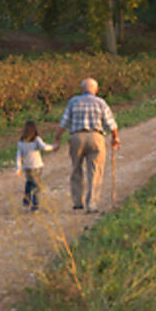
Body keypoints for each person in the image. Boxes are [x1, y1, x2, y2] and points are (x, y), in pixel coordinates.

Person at [54, 77, 120, 214]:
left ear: (81, 89)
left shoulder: (73, 101)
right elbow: (111, 123)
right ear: (96, 90)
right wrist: (115, 137)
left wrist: (57, 139)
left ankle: (77, 202)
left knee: (76, 168)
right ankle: (92, 204)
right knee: (95, 171)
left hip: (76, 137)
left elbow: (64, 122)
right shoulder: (101, 102)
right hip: (96, 137)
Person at [15, 120, 54, 212]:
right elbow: (44, 147)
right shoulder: (36, 140)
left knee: (28, 184)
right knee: (35, 186)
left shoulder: (21, 142)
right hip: (37, 166)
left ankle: (26, 202)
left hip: (27, 167)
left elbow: (18, 156)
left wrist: (18, 168)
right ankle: (35, 206)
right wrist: (53, 147)